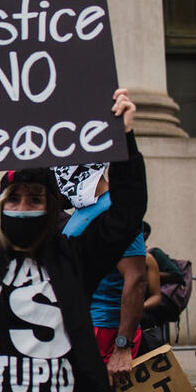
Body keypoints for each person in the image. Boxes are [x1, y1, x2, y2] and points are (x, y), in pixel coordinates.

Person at [0, 90, 146, 391]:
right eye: (14, 199)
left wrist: (123, 137)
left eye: (35, 200)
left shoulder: (74, 258)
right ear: (0, 206)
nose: (23, 208)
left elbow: (127, 213)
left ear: (50, 209)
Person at [57, 163, 147, 382]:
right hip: (81, 328)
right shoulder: (81, 210)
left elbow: (135, 278)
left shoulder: (114, 209)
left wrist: (123, 347)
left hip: (105, 330)